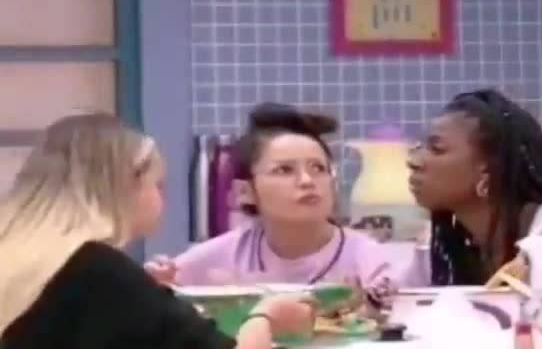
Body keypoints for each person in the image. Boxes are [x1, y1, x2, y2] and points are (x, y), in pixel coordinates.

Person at [0, 114, 314, 349]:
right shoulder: (97, 268)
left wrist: (146, 300)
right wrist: (266, 316)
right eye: (158, 184)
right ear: (127, 184)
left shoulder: (29, 256)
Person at [397, 88, 542, 287]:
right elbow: (403, 305)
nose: (414, 161)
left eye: (437, 149)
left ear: (488, 169)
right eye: (420, 146)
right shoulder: (444, 245)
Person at [146, 103, 392, 288]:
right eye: (284, 170)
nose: (307, 181)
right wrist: (159, 283)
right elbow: (168, 291)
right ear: (245, 192)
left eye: (318, 168)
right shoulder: (220, 256)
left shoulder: (372, 264)